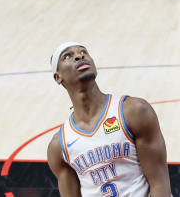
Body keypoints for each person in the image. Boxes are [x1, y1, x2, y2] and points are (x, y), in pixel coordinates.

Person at [46, 42, 171, 196]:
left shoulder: (134, 111)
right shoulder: (59, 146)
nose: (79, 56)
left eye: (83, 51)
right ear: (58, 77)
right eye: (68, 56)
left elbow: (160, 182)